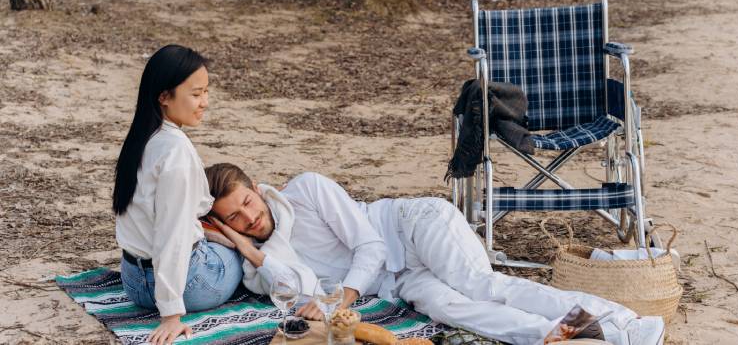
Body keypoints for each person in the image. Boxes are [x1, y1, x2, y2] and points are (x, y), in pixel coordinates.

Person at [203, 163, 665, 345]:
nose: (250, 218)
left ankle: (625, 323)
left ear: (255, 187)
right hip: (398, 281)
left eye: (247, 203)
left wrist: (342, 300)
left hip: (413, 227)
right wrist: (249, 249)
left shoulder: (305, 190)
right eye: (235, 219)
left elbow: (370, 245)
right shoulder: (260, 257)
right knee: (457, 310)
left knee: (483, 285)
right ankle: (560, 335)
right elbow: (299, 290)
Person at [112, 45, 243, 345]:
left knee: (218, 231)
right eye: (196, 94)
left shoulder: (142, 137)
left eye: (206, 92)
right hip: (190, 285)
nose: (205, 103)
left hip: (133, 281)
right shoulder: (176, 151)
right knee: (242, 252)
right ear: (164, 97)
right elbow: (172, 234)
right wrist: (171, 314)